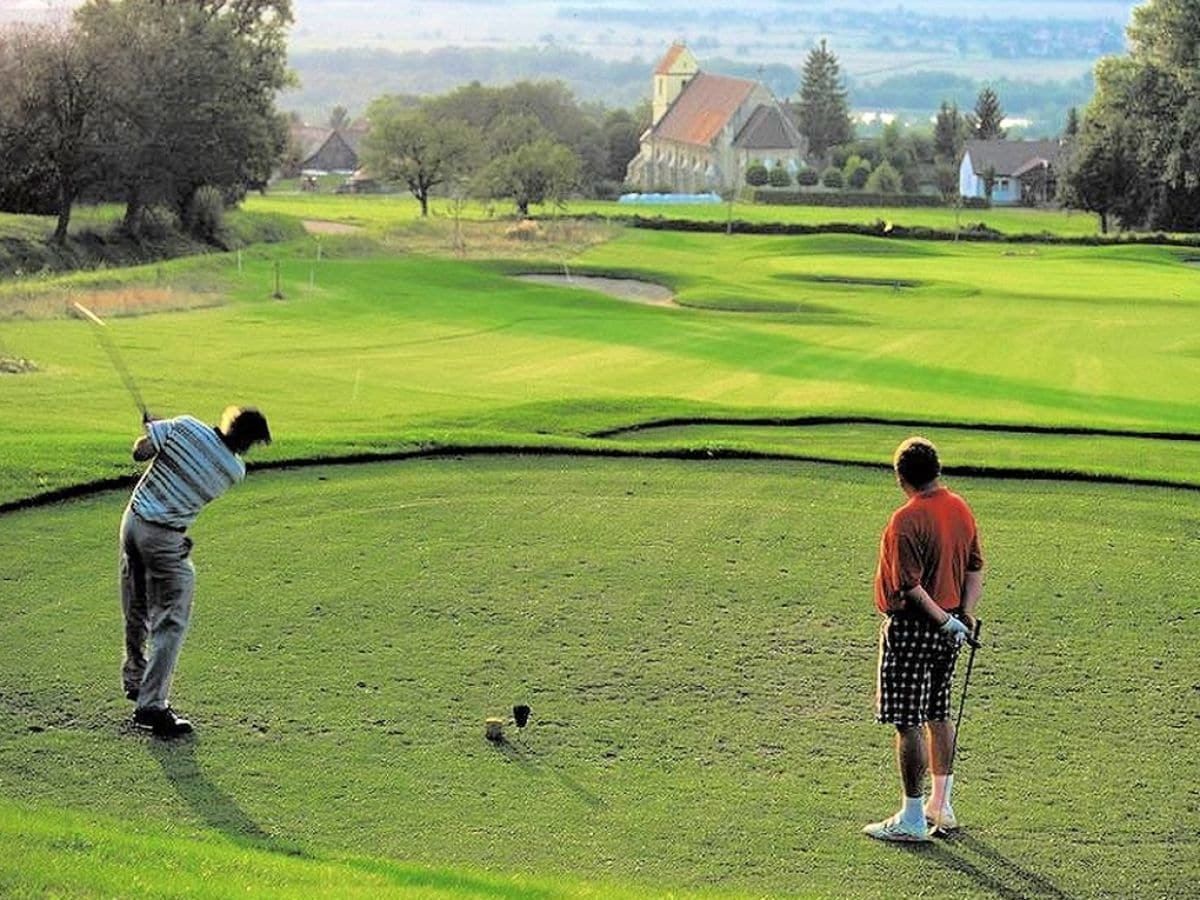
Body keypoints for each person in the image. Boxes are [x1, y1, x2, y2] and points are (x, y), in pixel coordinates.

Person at [120, 406, 271, 738]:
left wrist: (156, 431)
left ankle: (135, 677)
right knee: (172, 617)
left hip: (132, 522)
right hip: (163, 536)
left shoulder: (185, 426)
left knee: (137, 603)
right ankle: (152, 707)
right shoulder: (233, 470)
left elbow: (139, 452)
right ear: (248, 442)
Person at [863, 437, 983, 842]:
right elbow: (974, 569)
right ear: (936, 469)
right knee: (938, 712)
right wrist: (963, 616)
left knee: (907, 720)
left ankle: (913, 816)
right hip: (949, 623)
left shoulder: (905, 520)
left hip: (915, 627)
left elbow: (910, 588)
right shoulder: (960, 508)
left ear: (901, 477)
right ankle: (941, 805)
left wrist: (944, 622)